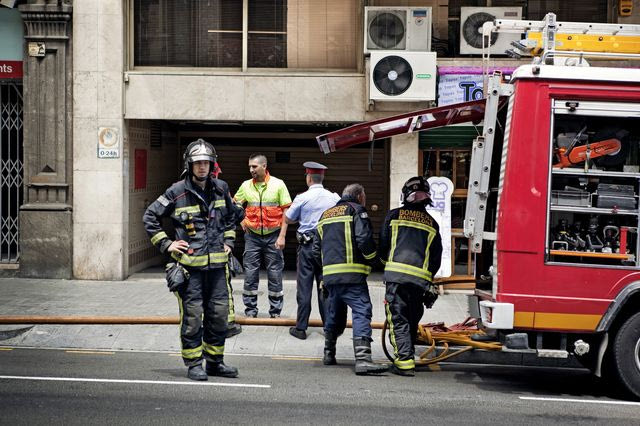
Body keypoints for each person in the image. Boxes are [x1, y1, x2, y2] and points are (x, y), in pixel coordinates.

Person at [143, 139, 239, 381]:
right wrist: (167, 244)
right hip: (190, 271)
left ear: (212, 165)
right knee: (193, 318)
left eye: (206, 163)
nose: (202, 167)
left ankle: (215, 362)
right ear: (190, 165)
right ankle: (194, 363)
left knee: (218, 316)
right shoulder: (176, 192)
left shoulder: (221, 188)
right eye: (197, 163)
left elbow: (231, 218)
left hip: (218, 268)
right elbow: (150, 217)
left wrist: (229, 242)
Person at [312, 183, 388, 375]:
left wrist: (326, 270)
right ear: (360, 196)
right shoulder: (356, 211)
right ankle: (363, 359)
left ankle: (328, 354)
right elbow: (364, 240)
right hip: (352, 275)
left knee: (334, 313)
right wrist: (375, 261)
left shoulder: (325, 215)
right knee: (362, 310)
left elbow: (315, 249)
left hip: (330, 276)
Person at [379, 176, 443, 377]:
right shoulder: (432, 223)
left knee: (398, 319)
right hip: (419, 283)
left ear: (405, 196)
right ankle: (408, 354)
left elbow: (383, 247)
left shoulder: (393, 216)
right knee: (412, 318)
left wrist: (386, 266)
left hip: (396, 280)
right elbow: (436, 258)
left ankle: (404, 362)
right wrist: (428, 279)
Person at [285, 161, 343, 340]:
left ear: (309, 178)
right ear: (322, 177)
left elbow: (288, 219)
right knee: (325, 286)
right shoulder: (334, 198)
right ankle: (328, 327)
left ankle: (301, 328)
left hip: (307, 246)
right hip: (327, 247)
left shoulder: (302, 198)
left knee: (304, 287)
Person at [234, 154, 292, 318]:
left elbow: (286, 211)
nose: (251, 170)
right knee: (250, 274)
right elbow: (235, 204)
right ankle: (251, 311)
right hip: (252, 237)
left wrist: (282, 236)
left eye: (254, 166)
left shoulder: (278, 184)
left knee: (275, 274)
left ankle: (275, 312)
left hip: (273, 235)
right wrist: (242, 220)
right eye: (250, 167)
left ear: (264, 166)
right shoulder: (246, 186)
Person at [210, 159, 244, 338]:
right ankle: (227, 324)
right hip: (214, 250)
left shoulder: (185, 190)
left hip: (214, 248)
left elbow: (230, 218)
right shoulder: (220, 190)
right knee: (223, 289)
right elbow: (234, 215)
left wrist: (229, 243)